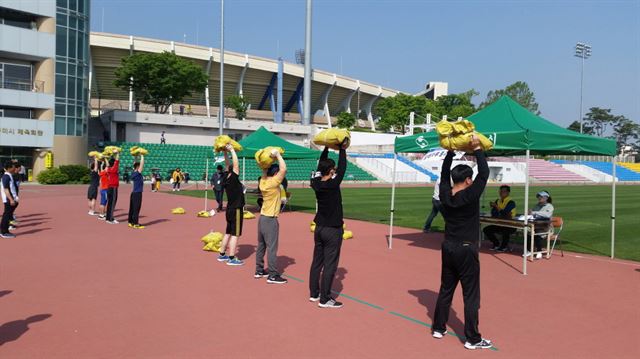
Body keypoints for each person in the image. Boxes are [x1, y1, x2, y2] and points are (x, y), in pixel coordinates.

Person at [432, 136, 493, 350]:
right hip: (466, 249)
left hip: (448, 247)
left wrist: (449, 152)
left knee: (446, 289)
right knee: (471, 295)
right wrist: (477, 149)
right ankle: (472, 338)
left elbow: (442, 175)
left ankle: (439, 328)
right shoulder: (470, 195)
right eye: (471, 178)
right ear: (468, 180)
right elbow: (484, 174)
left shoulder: (445, 194)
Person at [309, 140, 349, 308]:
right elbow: (343, 166)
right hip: (332, 229)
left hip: (319, 227)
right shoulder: (333, 184)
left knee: (317, 261)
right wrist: (342, 149)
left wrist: (326, 147)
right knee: (330, 264)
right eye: (333, 169)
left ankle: (314, 293)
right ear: (331, 170)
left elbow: (321, 167)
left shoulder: (316, 183)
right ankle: (325, 299)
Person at [255, 150, 288, 284]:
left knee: (261, 246)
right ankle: (273, 275)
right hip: (270, 219)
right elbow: (283, 168)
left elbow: (264, 171)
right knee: (272, 248)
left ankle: (259, 270)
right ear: (275, 174)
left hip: (262, 218)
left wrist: (265, 164)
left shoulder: (262, 182)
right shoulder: (274, 183)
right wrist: (278, 155)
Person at [217, 145, 245, 266]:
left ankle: (222, 254)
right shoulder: (233, 176)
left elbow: (228, 164)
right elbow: (235, 165)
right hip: (236, 209)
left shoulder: (225, 177)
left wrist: (224, 152)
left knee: (228, 232)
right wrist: (232, 150)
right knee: (235, 234)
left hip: (229, 209)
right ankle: (232, 258)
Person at [483, 185, 517, 252]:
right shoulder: (498, 201)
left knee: (505, 231)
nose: (501, 193)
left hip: (511, 225)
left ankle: (504, 246)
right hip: (500, 223)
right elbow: (493, 212)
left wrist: (496, 207)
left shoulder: (511, 202)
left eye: (503, 191)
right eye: (500, 191)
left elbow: (505, 213)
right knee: (486, 229)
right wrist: (496, 209)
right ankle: (496, 243)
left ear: (508, 193)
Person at [525, 191, 555, 258]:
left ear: (546, 198)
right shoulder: (537, 205)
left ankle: (539, 251)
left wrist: (534, 212)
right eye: (538, 196)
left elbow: (547, 215)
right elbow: (532, 214)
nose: (539, 198)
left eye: (541, 196)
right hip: (537, 225)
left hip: (547, 228)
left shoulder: (549, 206)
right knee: (527, 231)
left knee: (538, 233)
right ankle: (529, 250)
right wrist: (530, 213)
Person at [1, 162, 19, 238]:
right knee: (7, 215)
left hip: (11, 199)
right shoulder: (6, 177)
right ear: (9, 168)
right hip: (8, 199)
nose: (14, 168)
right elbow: (6, 189)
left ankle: (3, 230)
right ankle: (4, 232)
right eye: (13, 167)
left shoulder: (9, 175)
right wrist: (11, 199)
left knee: (7, 215)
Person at [127, 155, 145, 229]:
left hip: (133, 193)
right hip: (137, 193)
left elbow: (134, 164)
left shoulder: (133, 173)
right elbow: (141, 164)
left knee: (132, 208)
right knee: (136, 208)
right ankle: (135, 223)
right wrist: (142, 156)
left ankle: (130, 222)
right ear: (137, 167)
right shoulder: (137, 173)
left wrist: (135, 156)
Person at [105, 151, 121, 224]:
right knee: (113, 203)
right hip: (113, 188)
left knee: (109, 203)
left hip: (109, 187)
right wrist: (117, 153)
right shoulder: (114, 169)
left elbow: (108, 164)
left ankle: (108, 218)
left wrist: (105, 158)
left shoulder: (108, 169)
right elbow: (117, 161)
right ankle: (111, 219)